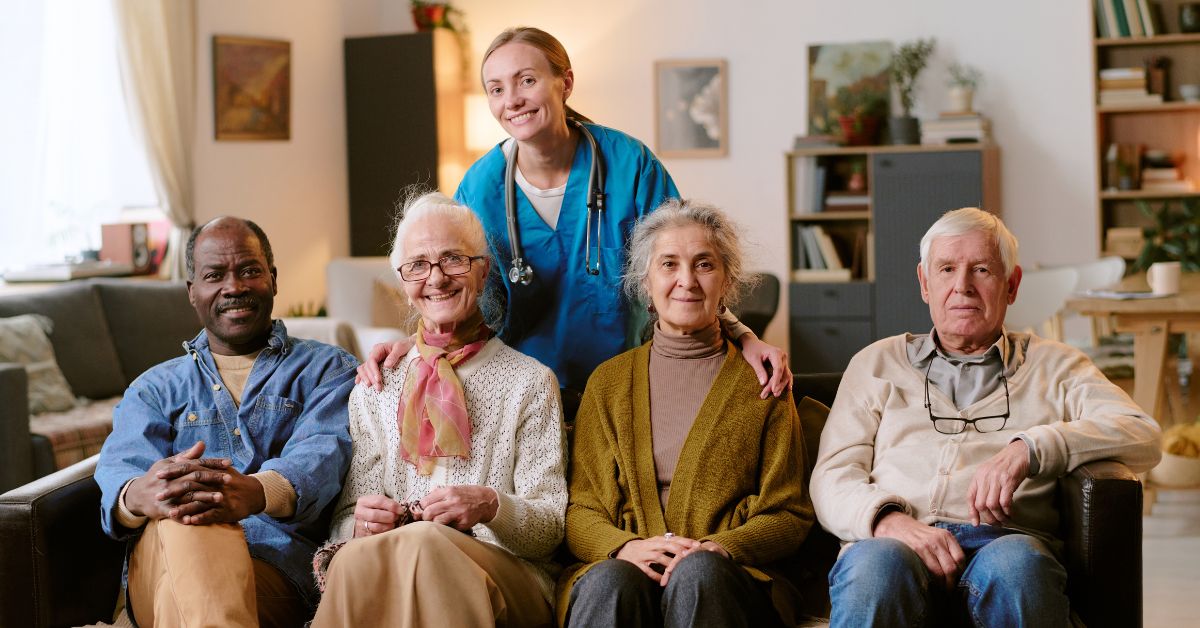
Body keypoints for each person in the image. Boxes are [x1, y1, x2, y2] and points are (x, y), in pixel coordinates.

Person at [359, 26, 790, 397]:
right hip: (518, 394)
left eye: (526, 80)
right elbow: (452, 290)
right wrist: (414, 349)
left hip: (630, 386)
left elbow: (683, 271)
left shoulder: (630, 165)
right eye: (496, 89)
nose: (512, 100)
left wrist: (744, 336)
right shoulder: (479, 187)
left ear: (564, 82)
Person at [810, 207, 1163, 627]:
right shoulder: (876, 363)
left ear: (1011, 286)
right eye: (946, 269)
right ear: (925, 283)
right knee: (874, 570)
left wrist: (1032, 448)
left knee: (1020, 570)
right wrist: (887, 520)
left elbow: (1143, 433)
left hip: (1007, 543)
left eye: (981, 270)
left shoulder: (1057, 366)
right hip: (894, 541)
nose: (962, 287)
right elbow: (832, 475)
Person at [312, 192, 566, 627]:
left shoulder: (530, 381)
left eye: (453, 259)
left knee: (423, 542)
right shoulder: (377, 384)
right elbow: (346, 517)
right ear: (403, 284)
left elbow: (549, 528)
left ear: (482, 271)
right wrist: (360, 524)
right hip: (400, 563)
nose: (436, 278)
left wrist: (490, 506)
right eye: (418, 265)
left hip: (509, 575)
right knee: (354, 559)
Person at [559, 199, 812, 628]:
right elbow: (581, 510)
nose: (687, 281)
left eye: (704, 265)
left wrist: (722, 548)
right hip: (624, 572)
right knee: (609, 582)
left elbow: (789, 514)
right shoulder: (608, 383)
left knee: (699, 573)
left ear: (727, 282)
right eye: (669, 264)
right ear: (646, 283)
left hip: (730, 578)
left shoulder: (765, 383)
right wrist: (624, 547)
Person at [96, 217, 357, 626]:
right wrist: (140, 495)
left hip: (274, 569)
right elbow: (119, 470)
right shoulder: (154, 388)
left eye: (249, 271)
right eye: (214, 275)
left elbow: (322, 455)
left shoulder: (329, 370)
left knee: (192, 529)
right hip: (161, 562)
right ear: (192, 292)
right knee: (189, 518)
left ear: (272, 279)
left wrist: (254, 492)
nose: (233, 287)